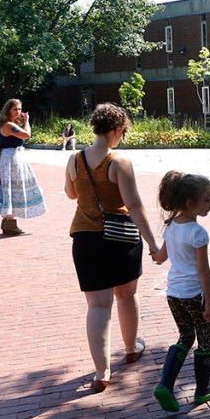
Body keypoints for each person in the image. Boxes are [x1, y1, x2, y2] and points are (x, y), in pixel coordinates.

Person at [64, 103, 160, 393]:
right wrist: (153, 242)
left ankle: (101, 372)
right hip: (120, 236)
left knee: (97, 305)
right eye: (122, 132)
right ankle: (131, 348)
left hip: (85, 237)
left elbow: (71, 194)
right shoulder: (119, 162)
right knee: (127, 294)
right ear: (117, 129)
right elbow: (133, 203)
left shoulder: (75, 160)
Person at [152, 171, 210, 411]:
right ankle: (203, 389)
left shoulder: (171, 225)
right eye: (207, 200)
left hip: (173, 294)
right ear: (190, 203)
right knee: (204, 341)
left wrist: (153, 251)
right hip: (194, 295)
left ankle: (165, 384)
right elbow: (204, 271)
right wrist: (209, 303)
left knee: (185, 336)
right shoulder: (198, 232)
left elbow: (161, 258)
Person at [0, 98, 47, 236]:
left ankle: (7, 221)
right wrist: (27, 121)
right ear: (8, 110)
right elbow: (27, 135)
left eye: (19, 109)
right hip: (11, 159)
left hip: (11, 157)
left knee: (10, 187)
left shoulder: (8, 124)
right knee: (11, 188)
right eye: (15, 109)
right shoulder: (8, 125)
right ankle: (10, 222)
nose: (18, 111)